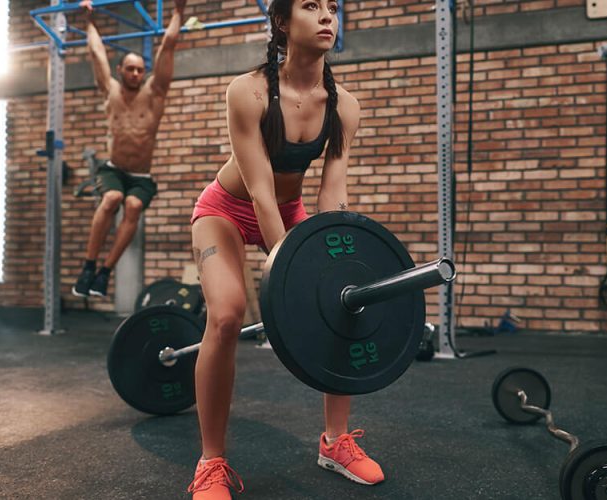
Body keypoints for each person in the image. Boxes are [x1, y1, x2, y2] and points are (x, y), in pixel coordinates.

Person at [187, 1, 382, 498]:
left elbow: (332, 195)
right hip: (228, 209)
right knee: (228, 314)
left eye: (332, 8)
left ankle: (336, 442)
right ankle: (210, 462)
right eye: (311, 6)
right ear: (280, 22)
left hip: (290, 210)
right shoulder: (248, 92)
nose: (326, 17)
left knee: (346, 301)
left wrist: (334, 268)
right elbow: (257, 190)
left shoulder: (343, 106)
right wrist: (292, 266)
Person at [72, 0, 186, 298]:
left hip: (141, 176)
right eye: (130, 69)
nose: (136, 74)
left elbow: (169, 46)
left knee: (133, 206)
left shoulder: (155, 93)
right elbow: (96, 53)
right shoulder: (110, 91)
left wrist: (178, 12)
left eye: (140, 70)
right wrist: (88, 21)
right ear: (120, 70)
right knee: (112, 198)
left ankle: (104, 273)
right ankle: (88, 266)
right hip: (113, 170)